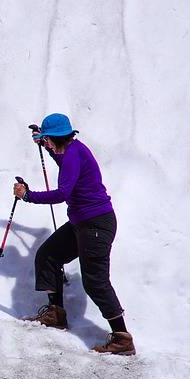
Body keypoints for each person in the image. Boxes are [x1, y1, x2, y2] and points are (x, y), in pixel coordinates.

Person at [13, 113, 135, 356]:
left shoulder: (72, 155)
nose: (46, 144)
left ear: (55, 138)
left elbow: (62, 193)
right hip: (84, 223)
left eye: (47, 140)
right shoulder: (71, 150)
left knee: (95, 281)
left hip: (96, 225)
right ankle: (56, 314)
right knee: (48, 255)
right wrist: (45, 145)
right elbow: (64, 166)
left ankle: (122, 337)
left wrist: (28, 195)